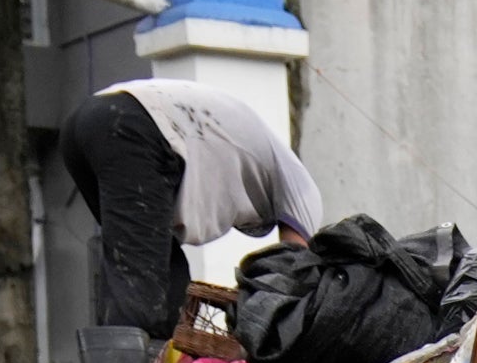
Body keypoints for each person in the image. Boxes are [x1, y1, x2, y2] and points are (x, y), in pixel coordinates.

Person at [57, 78, 323, 339]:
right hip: (133, 125)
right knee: (140, 287)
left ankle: (145, 362)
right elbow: (293, 272)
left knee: (160, 273)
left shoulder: (257, 154)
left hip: (87, 124)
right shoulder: (304, 191)